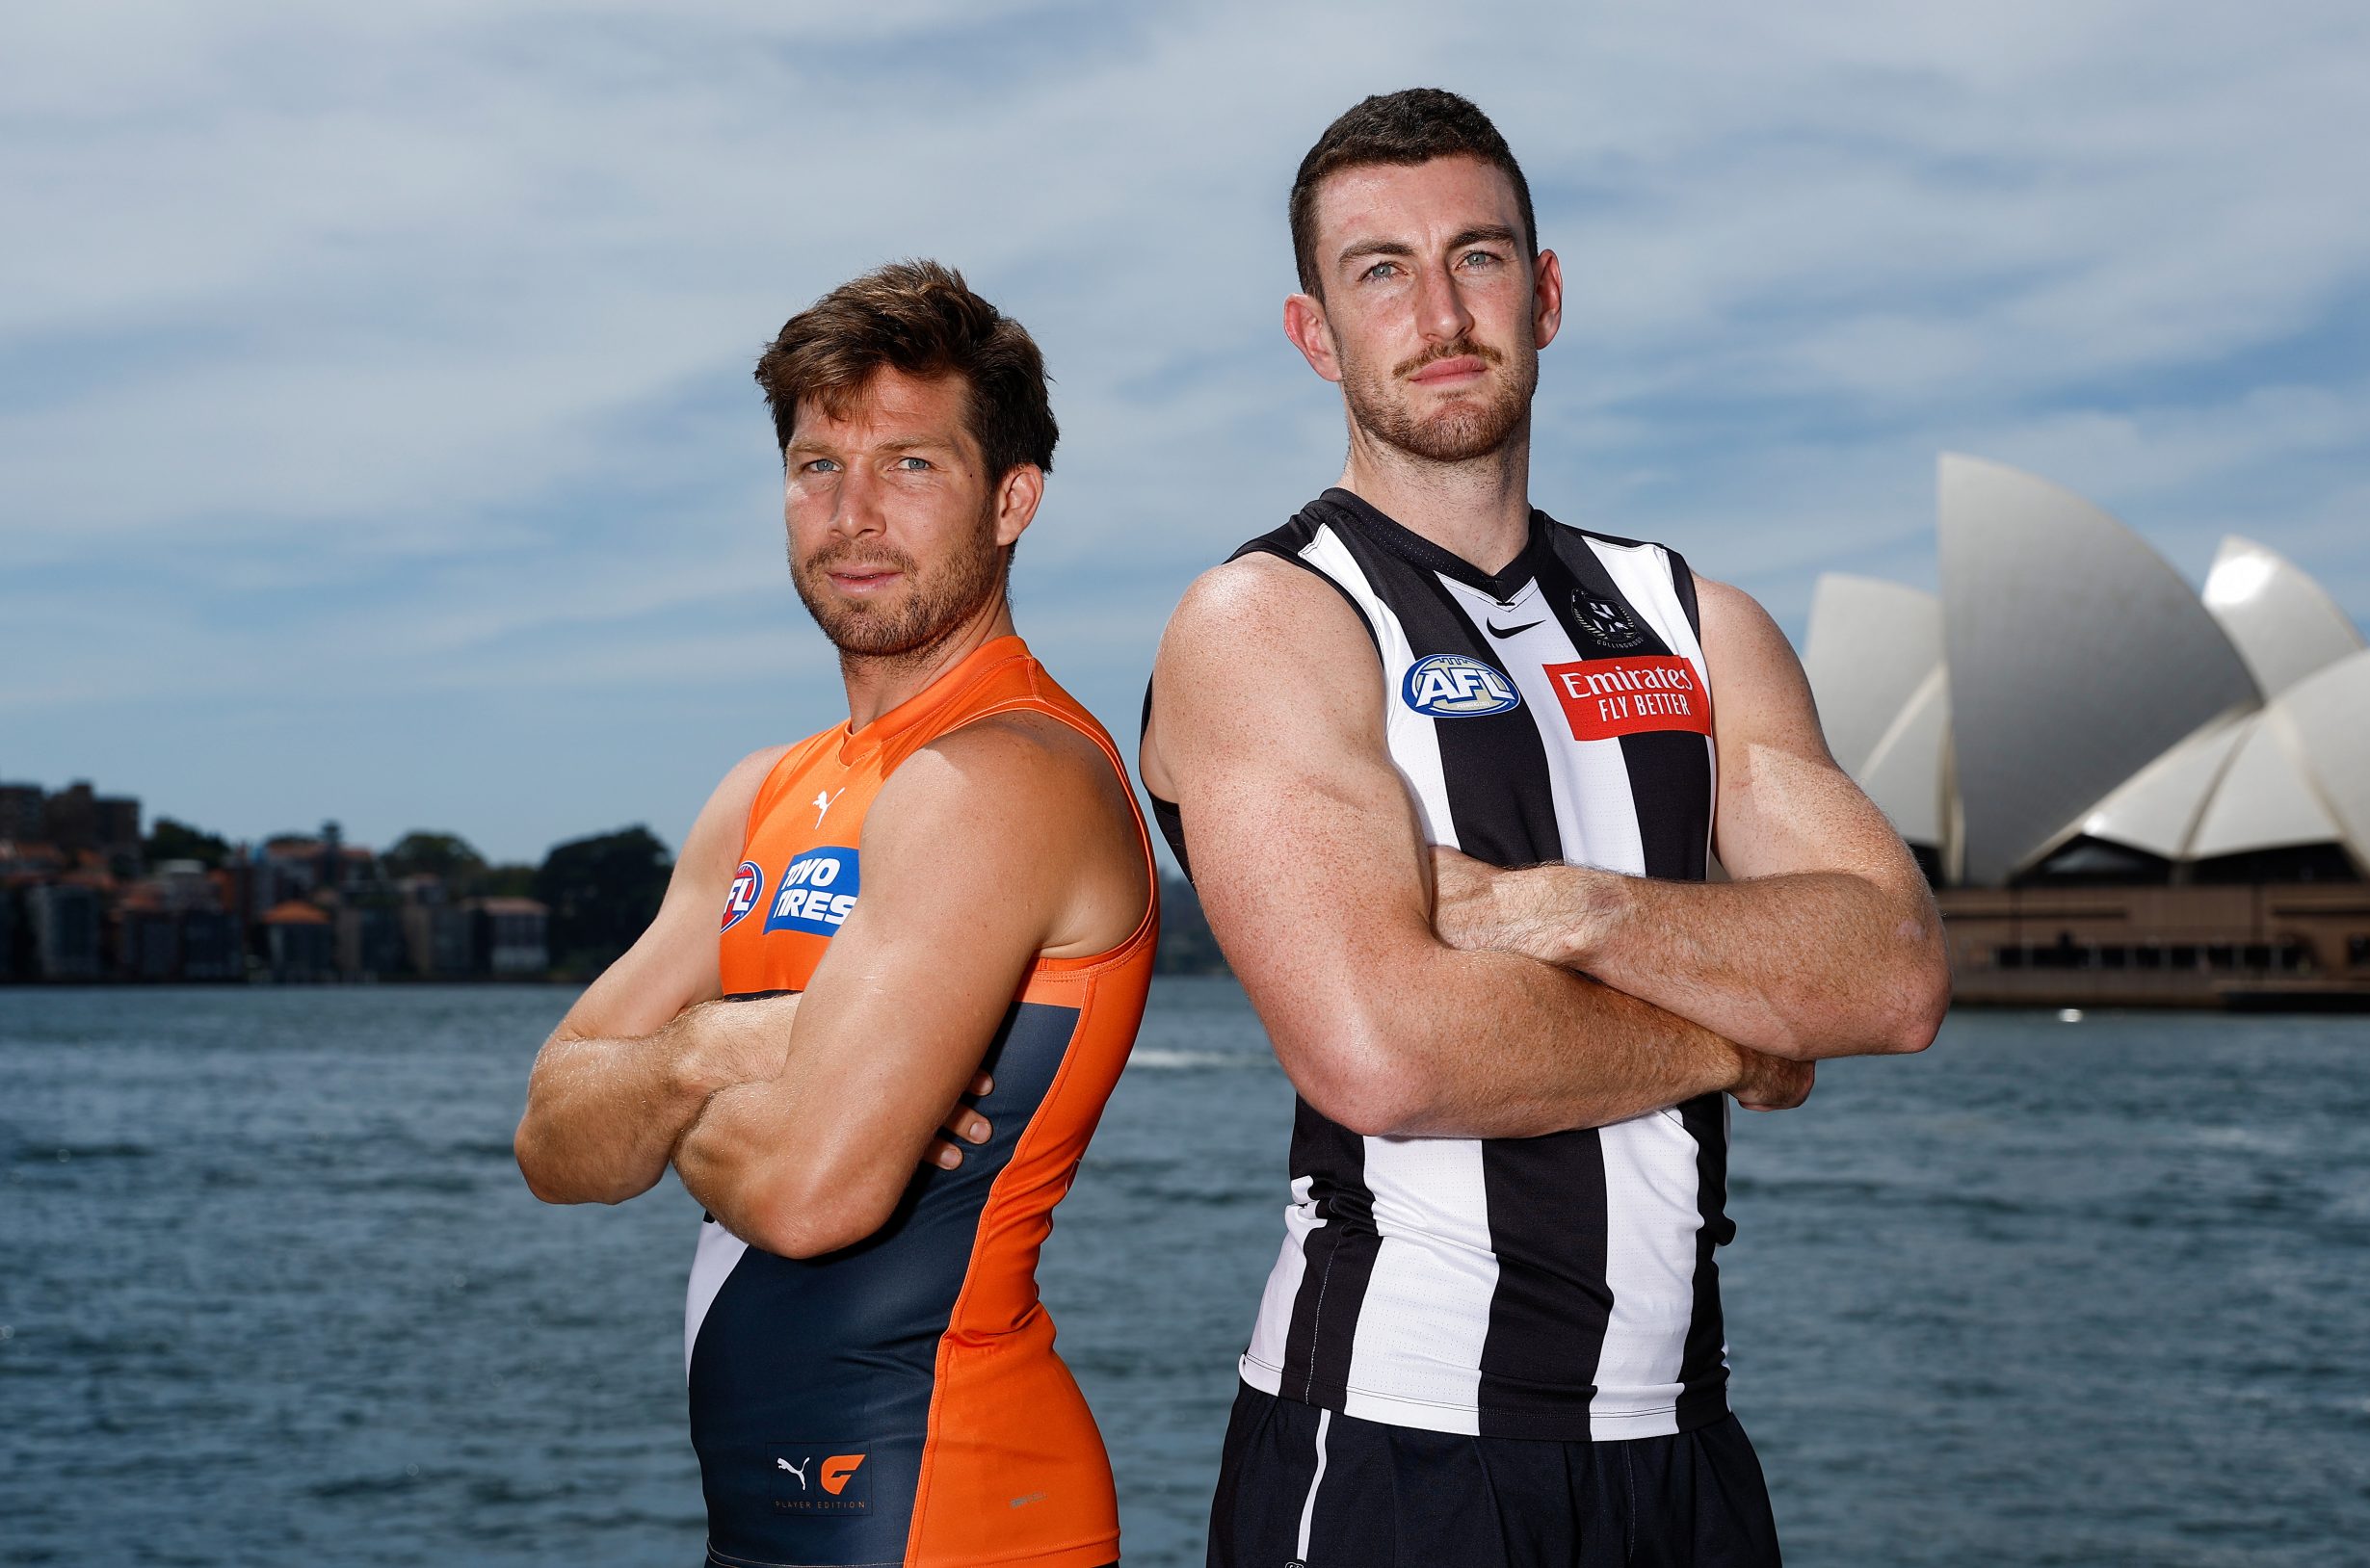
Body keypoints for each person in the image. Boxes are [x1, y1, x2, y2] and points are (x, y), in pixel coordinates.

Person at [1141, 90, 1950, 1567]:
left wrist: (1566, 910)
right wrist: (1738, 1038)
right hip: (1398, 1448)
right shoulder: (1270, 621)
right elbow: (1381, 1053)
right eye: (1380, 269)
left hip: (1685, 1447)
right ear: (1316, 335)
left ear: (1549, 292)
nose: (1440, 309)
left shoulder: (1697, 624)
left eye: (1481, 256)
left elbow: (1891, 972)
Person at [514, 260, 1156, 1568]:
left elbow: (811, 1192)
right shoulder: (764, 793)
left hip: (947, 1505)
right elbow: (549, 1141)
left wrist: (663, 1091)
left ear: (1013, 499)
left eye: (911, 466)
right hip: (781, 1515)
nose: (852, 514)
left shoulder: (1004, 775)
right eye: (817, 467)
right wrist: (724, 1050)